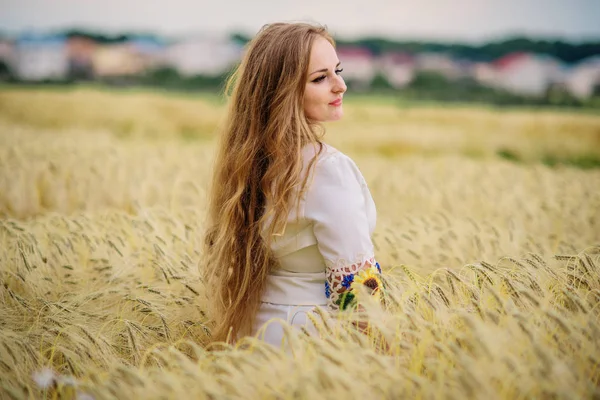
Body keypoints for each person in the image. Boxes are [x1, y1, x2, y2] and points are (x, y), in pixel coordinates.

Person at [202, 22, 383, 346]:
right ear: (282, 91)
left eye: (337, 70)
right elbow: (358, 290)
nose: (340, 85)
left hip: (255, 332)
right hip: (312, 341)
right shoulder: (328, 170)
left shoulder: (249, 163)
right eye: (320, 78)